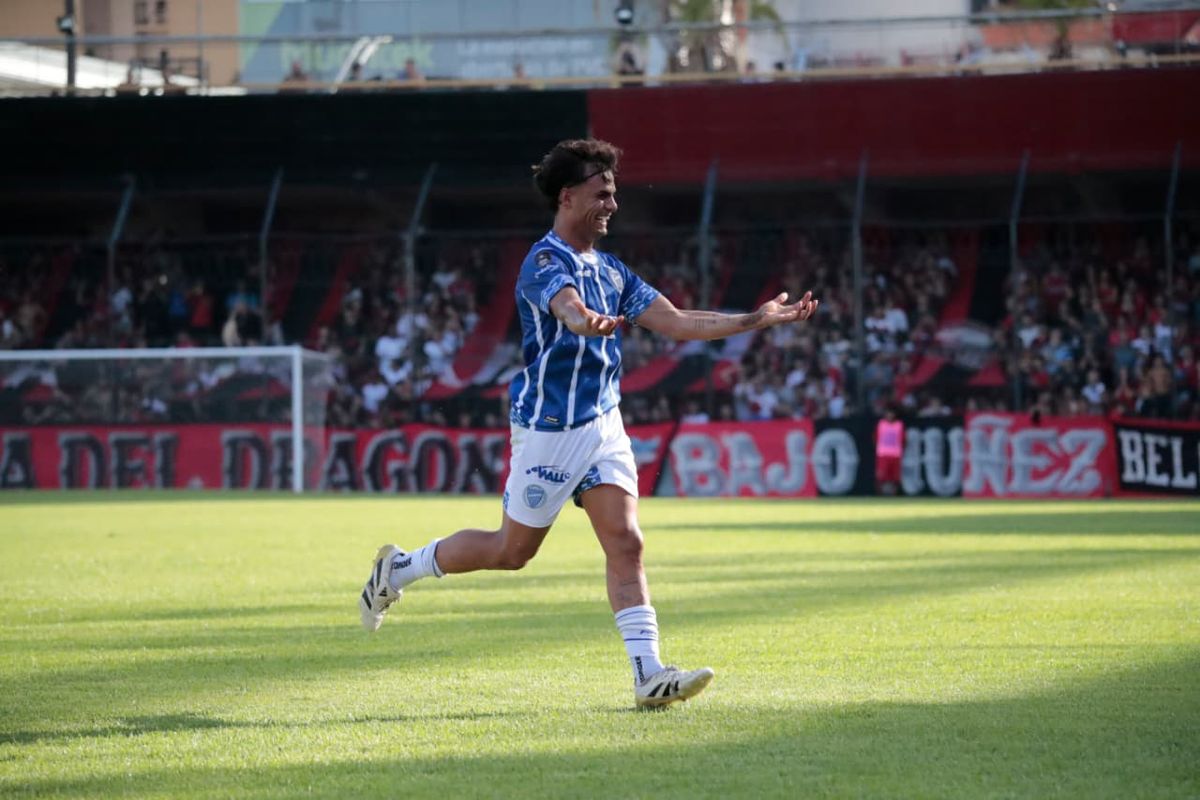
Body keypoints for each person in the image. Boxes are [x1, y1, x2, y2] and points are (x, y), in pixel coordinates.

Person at [357, 139, 819, 709]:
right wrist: (583, 321)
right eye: (602, 193)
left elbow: (674, 323)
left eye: (615, 193)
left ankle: (648, 675)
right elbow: (567, 308)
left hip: (603, 422)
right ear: (568, 196)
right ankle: (400, 568)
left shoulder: (614, 269)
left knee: (626, 541)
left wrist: (756, 319)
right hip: (550, 428)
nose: (612, 204)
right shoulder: (544, 262)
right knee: (511, 551)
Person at [875, 405, 904, 496]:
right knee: (881, 476)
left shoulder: (899, 425)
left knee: (895, 477)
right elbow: (875, 437)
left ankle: (895, 495)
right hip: (883, 453)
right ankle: (880, 495)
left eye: (891, 413)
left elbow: (903, 439)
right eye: (888, 413)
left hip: (895, 454)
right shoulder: (881, 424)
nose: (890, 415)